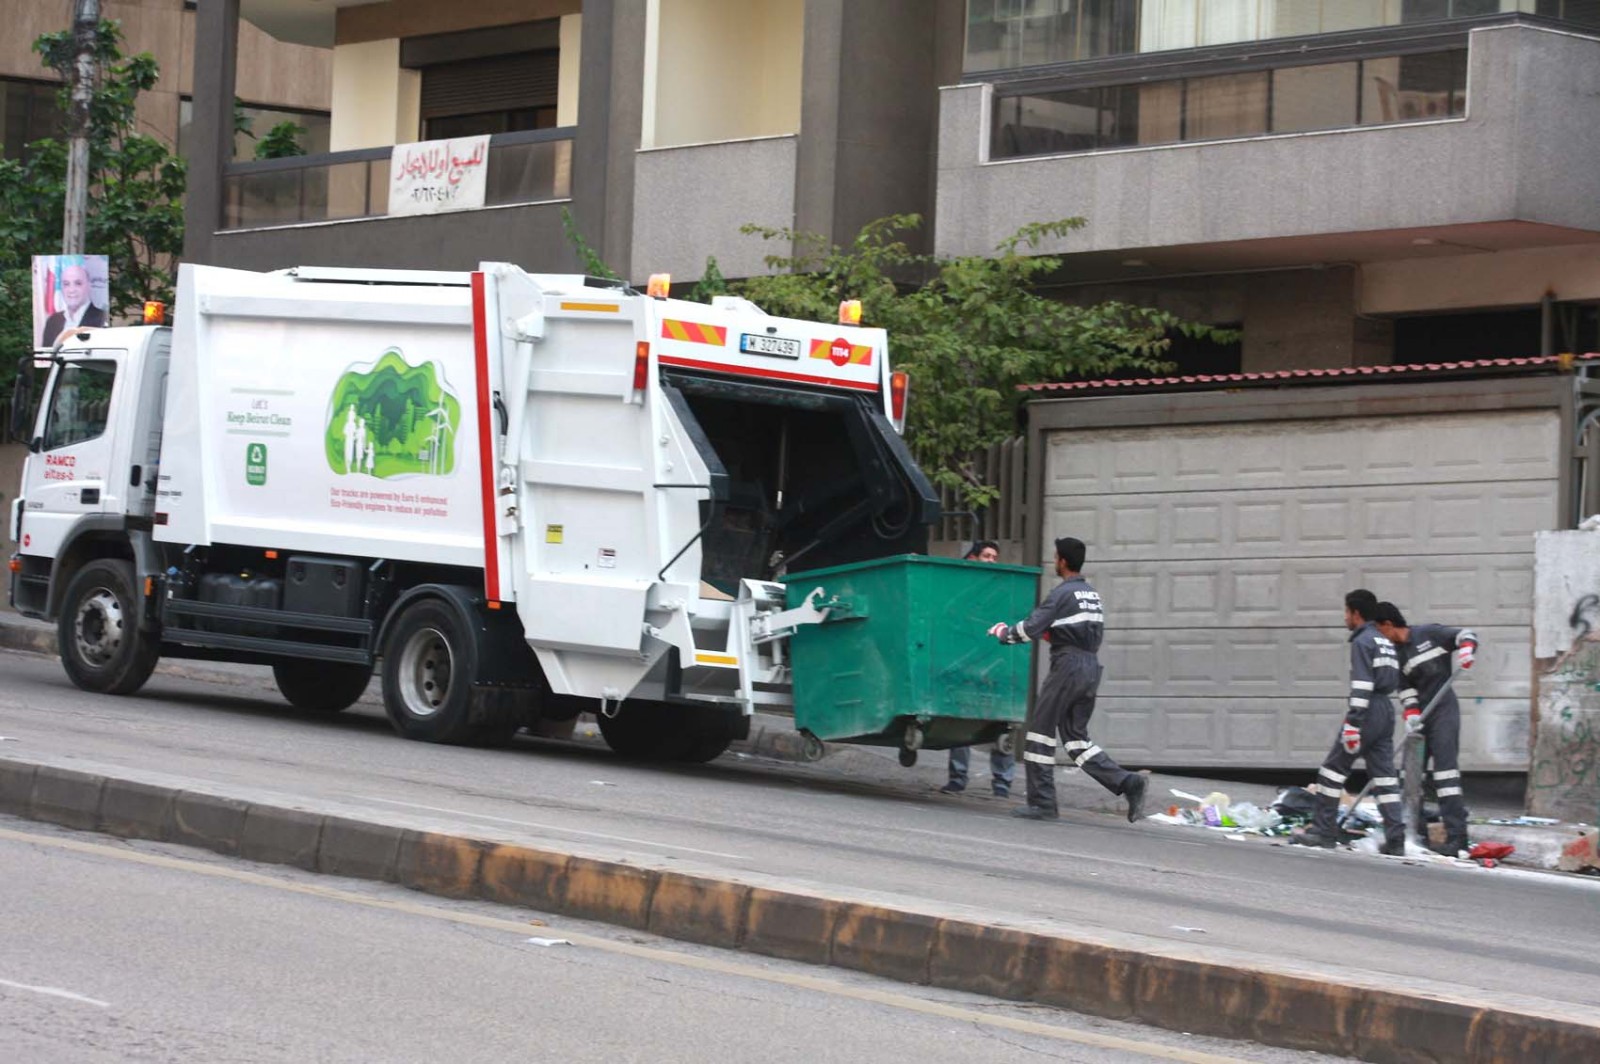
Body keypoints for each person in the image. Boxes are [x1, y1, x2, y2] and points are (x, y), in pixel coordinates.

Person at [987, 536, 1147, 823]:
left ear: (1062, 561)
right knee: (1076, 741)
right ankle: (1127, 782)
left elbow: (1030, 628)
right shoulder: (1091, 595)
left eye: (1055, 556)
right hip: (1089, 667)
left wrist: (1003, 632)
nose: (1054, 560)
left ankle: (1043, 803)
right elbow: (1068, 630)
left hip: (1068, 667)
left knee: (1039, 733)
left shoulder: (1062, 594)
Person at [1292, 589, 1406, 855]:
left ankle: (1323, 831)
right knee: (1386, 778)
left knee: (1332, 771)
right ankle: (1396, 838)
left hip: (1366, 711)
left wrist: (1354, 724)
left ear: (1356, 613)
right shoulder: (1384, 641)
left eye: (1346, 612)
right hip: (1385, 711)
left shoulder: (1363, 641)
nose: (1345, 618)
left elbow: (1362, 685)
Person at [1372, 601, 1478, 856]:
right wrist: (1410, 713)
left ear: (1388, 624)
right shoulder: (1396, 655)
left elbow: (1465, 635)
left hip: (1443, 712)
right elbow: (1405, 688)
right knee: (1410, 776)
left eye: (1378, 630)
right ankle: (1414, 834)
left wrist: (1466, 650)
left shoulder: (1429, 634)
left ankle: (1457, 838)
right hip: (1421, 718)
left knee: (1445, 776)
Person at [940, 540, 1016, 798]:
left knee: (1001, 722)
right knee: (960, 719)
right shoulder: (960, 589)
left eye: (995, 556)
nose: (992, 561)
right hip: (966, 660)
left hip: (994, 663)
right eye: (986, 556)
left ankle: (1002, 784)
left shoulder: (1000, 589)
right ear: (972, 559)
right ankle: (958, 779)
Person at [41, 262, 108, 346]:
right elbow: (45, 354)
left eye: (78, 283)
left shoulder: (102, 317)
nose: (71, 290)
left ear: (89, 285)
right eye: (66, 284)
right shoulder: (52, 321)